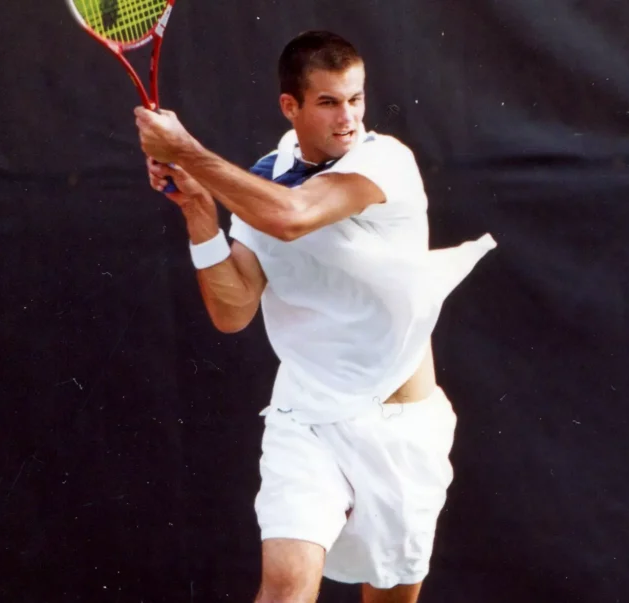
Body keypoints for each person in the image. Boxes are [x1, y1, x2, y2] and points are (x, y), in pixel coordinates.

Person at [133, 30, 496, 603]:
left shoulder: (385, 160)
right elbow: (234, 311)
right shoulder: (262, 180)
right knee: (284, 589)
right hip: (305, 417)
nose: (348, 117)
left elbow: (295, 217)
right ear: (291, 106)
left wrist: (188, 153)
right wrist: (201, 210)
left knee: (391, 596)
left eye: (356, 99)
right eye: (328, 102)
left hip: (398, 430)